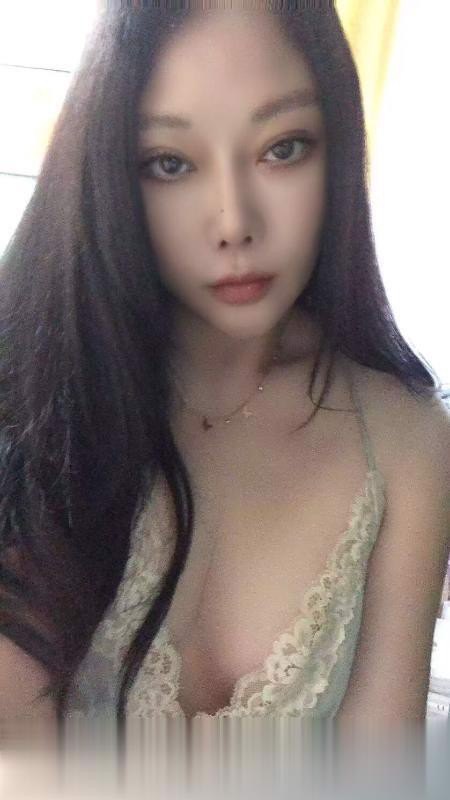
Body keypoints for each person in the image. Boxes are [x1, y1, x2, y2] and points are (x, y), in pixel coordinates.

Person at [0, 1, 449, 730]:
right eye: (170, 163)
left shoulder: (405, 439)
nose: (235, 220)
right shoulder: (36, 397)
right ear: (109, 171)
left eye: (283, 148)